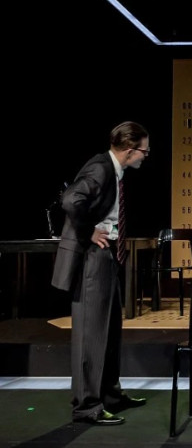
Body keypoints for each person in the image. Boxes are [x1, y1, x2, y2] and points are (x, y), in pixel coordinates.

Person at [51, 121, 151, 425]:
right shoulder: (101, 168)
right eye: (144, 151)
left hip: (107, 257)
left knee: (110, 329)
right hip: (92, 259)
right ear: (130, 149)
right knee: (91, 333)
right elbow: (70, 200)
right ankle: (86, 406)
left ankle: (109, 395)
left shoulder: (114, 171)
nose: (146, 156)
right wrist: (89, 230)